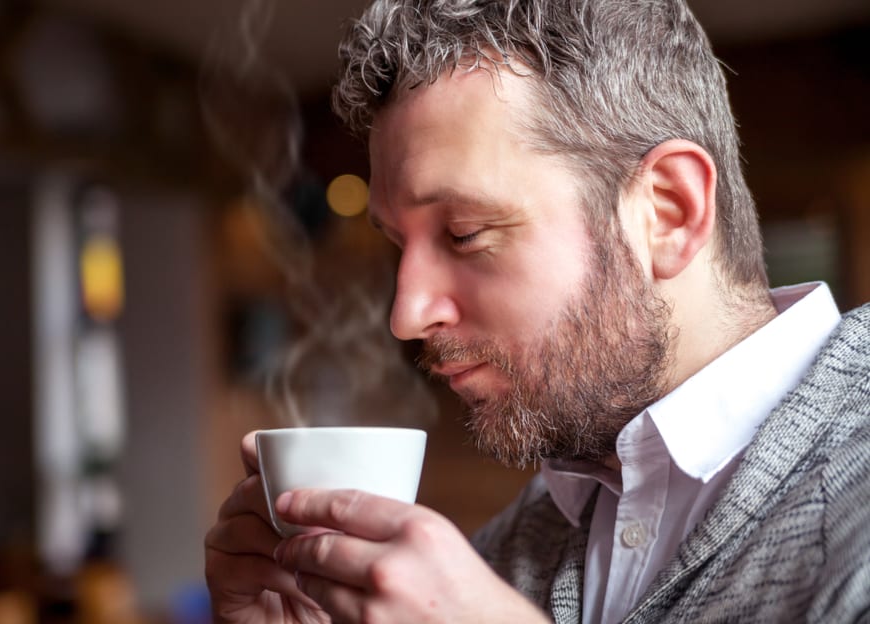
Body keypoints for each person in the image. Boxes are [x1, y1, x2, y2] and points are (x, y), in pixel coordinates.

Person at [204, 0, 870, 622]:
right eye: (399, 246)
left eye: (464, 232)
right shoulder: (519, 543)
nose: (405, 316)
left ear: (668, 212)